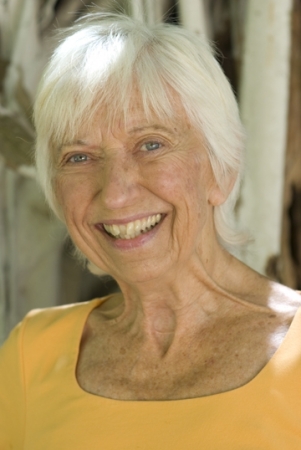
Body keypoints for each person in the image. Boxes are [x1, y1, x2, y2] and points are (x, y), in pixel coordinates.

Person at [1, 13, 301, 449]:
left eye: (151, 145)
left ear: (222, 169)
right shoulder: (32, 356)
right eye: (79, 157)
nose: (116, 194)